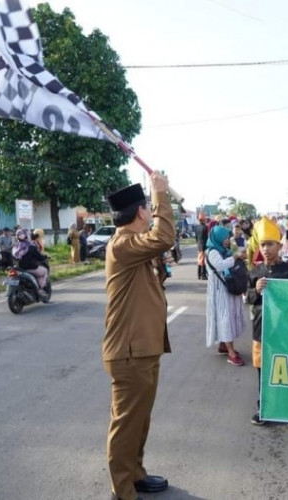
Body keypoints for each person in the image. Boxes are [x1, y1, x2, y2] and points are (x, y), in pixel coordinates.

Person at [102, 173, 175, 500]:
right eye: (148, 206)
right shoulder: (123, 244)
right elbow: (164, 238)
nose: (151, 210)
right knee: (126, 423)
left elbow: (160, 246)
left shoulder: (134, 247)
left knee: (139, 421)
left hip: (143, 349)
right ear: (142, 212)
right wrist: (162, 194)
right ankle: (123, 489)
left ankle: (136, 473)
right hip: (129, 353)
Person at [246, 219, 288, 426]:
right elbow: (247, 297)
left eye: (270, 244)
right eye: (263, 245)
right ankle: (264, 407)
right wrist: (255, 290)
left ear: (279, 245)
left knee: (287, 369)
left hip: (284, 328)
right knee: (263, 369)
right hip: (261, 327)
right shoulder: (255, 271)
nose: (266, 249)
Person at [205, 225, 247, 366]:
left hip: (227, 289)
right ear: (217, 238)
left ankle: (224, 346)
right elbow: (220, 266)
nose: (227, 240)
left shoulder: (224, 250)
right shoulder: (212, 252)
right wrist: (235, 257)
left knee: (227, 318)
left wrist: (239, 256)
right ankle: (231, 353)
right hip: (219, 292)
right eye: (224, 238)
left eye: (227, 238)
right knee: (225, 319)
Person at [16, 229, 49, 297]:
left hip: (20, 269)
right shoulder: (31, 247)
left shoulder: (16, 247)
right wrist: (45, 257)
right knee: (45, 271)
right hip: (31, 268)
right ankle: (40, 289)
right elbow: (39, 257)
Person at [195, 213, 209, 280]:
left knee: (199, 260)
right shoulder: (205, 227)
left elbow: (196, 237)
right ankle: (203, 275)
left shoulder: (196, 227)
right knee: (203, 260)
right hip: (204, 245)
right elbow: (206, 237)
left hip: (199, 245)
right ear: (204, 219)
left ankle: (199, 274)